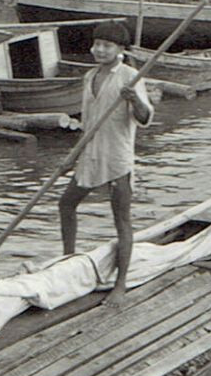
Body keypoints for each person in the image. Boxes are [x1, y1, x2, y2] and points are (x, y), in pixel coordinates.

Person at [59, 19, 154, 310]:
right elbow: (88, 123)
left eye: (107, 46)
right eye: (97, 44)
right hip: (90, 153)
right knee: (66, 205)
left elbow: (145, 117)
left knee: (121, 219)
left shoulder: (130, 76)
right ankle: (68, 260)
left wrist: (134, 98)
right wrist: (72, 155)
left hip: (117, 157)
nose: (100, 50)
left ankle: (121, 284)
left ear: (119, 49)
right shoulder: (89, 77)